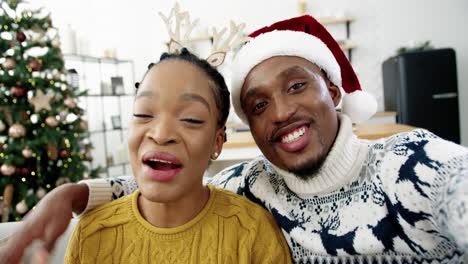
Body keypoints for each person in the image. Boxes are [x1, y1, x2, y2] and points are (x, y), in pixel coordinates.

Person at [2, 14, 468, 263]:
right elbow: (167, 188)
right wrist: (70, 195)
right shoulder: (252, 185)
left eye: (297, 85)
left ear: (334, 90)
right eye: (259, 104)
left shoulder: (413, 163)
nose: (281, 111)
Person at [62, 48, 291, 263]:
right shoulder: (92, 234)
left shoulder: (252, 233)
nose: (161, 135)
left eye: (191, 119)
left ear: (217, 142)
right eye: (143, 114)